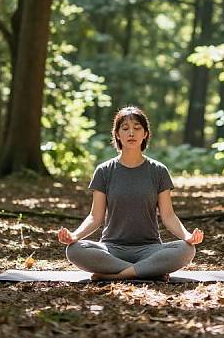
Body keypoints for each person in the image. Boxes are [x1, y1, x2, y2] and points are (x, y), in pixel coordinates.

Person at [58, 106, 204, 281]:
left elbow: (168, 216)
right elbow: (94, 217)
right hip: (112, 249)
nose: (131, 133)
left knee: (187, 249)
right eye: (125, 128)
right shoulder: (104, 171)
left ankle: (115, 276)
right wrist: (74, 236)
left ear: (145, 134)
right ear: (117, 135)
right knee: (73, 250)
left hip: (150, 249)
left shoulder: (158, 171)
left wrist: (188, 236)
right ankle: (148, 271)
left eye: (137, 128)